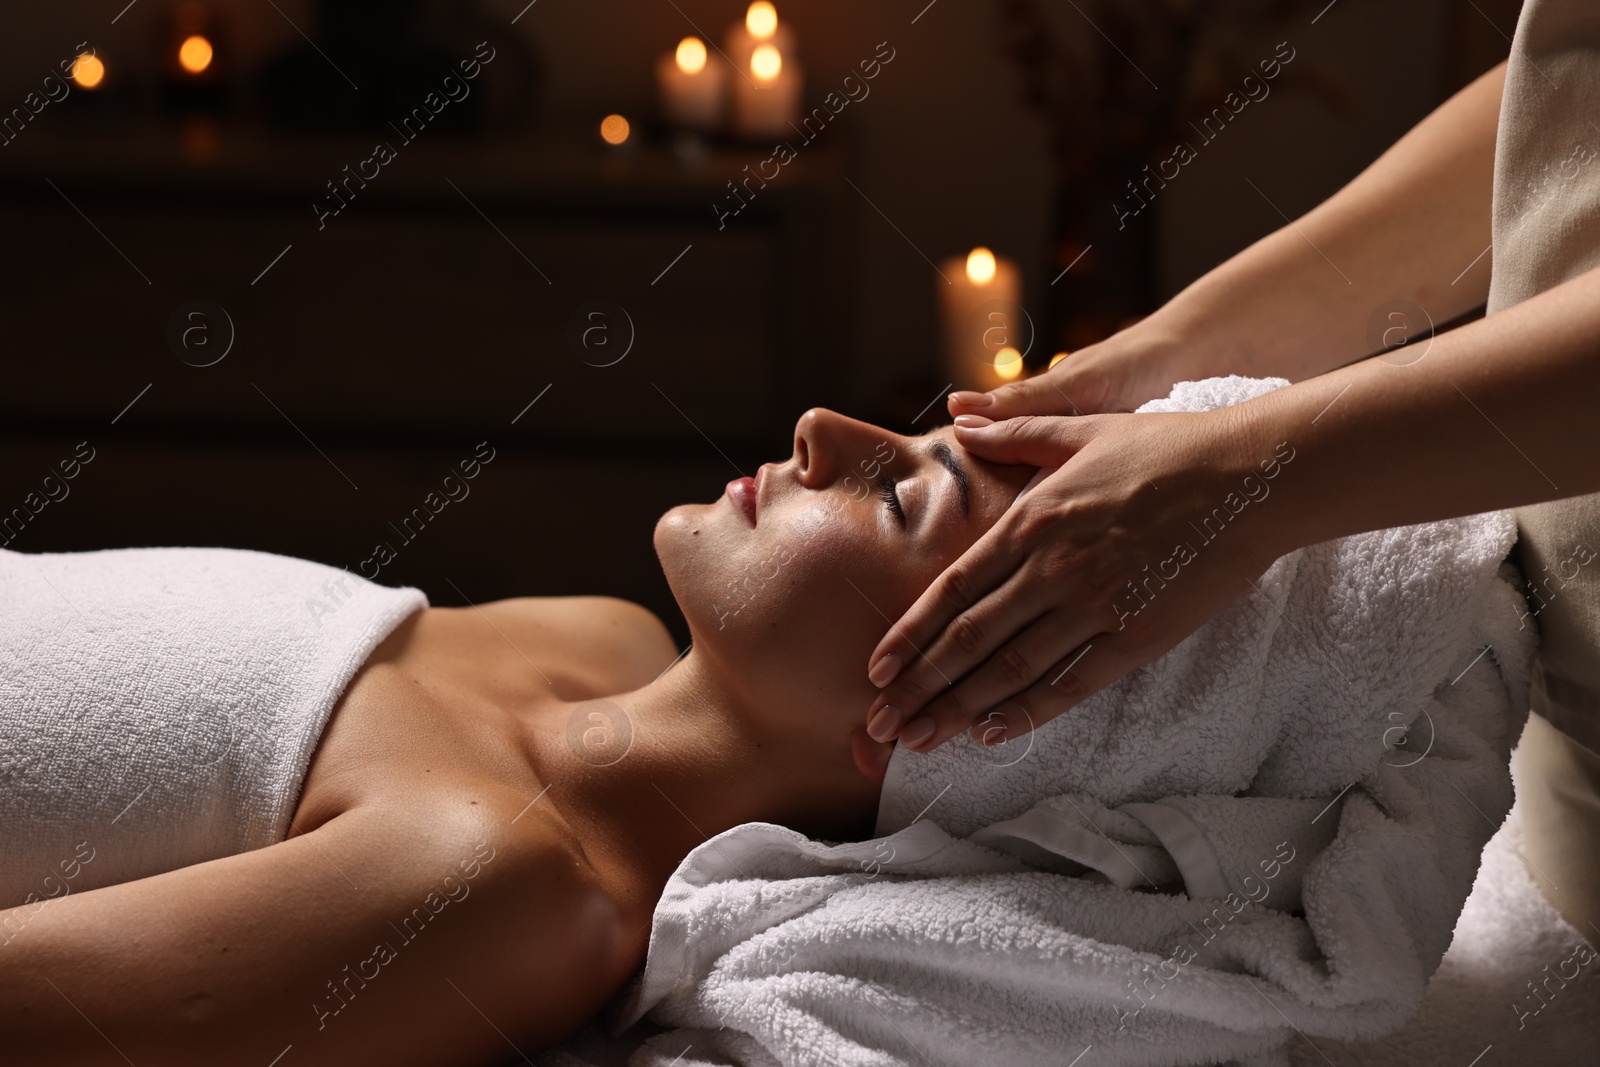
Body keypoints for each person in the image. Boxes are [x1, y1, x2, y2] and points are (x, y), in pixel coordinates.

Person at [864, 1, 1600, 941]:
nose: (814, 427)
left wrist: (1244, 485)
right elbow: (1564, 100)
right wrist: (1170, 355)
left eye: (906, 497)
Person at [0, 411, 1032, 1066]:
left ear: (919, 726)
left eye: (898, 495)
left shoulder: (512, 889)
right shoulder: (602, 636)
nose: (823, 431)